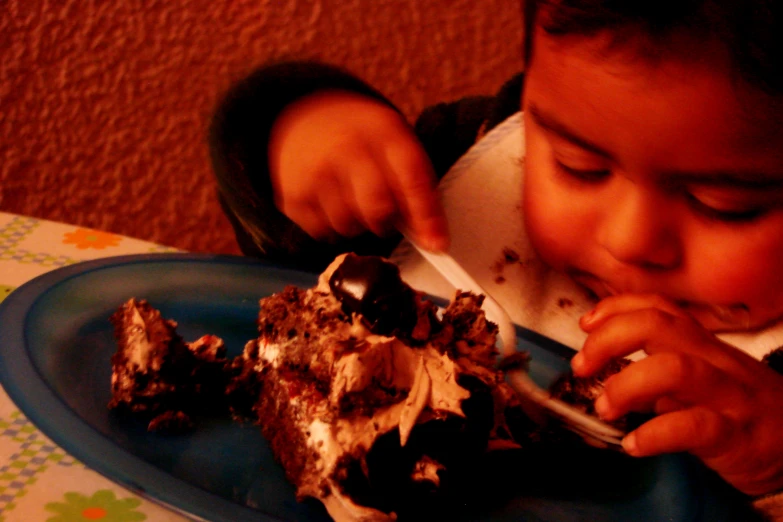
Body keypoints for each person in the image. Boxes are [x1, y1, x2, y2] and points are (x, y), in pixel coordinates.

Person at [209, 0, 783, 515]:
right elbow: (284, 248)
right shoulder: (464, 169)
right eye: (578, 167)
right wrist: (295, 132)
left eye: (724, 206)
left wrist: (772, 469)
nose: (629, 240)